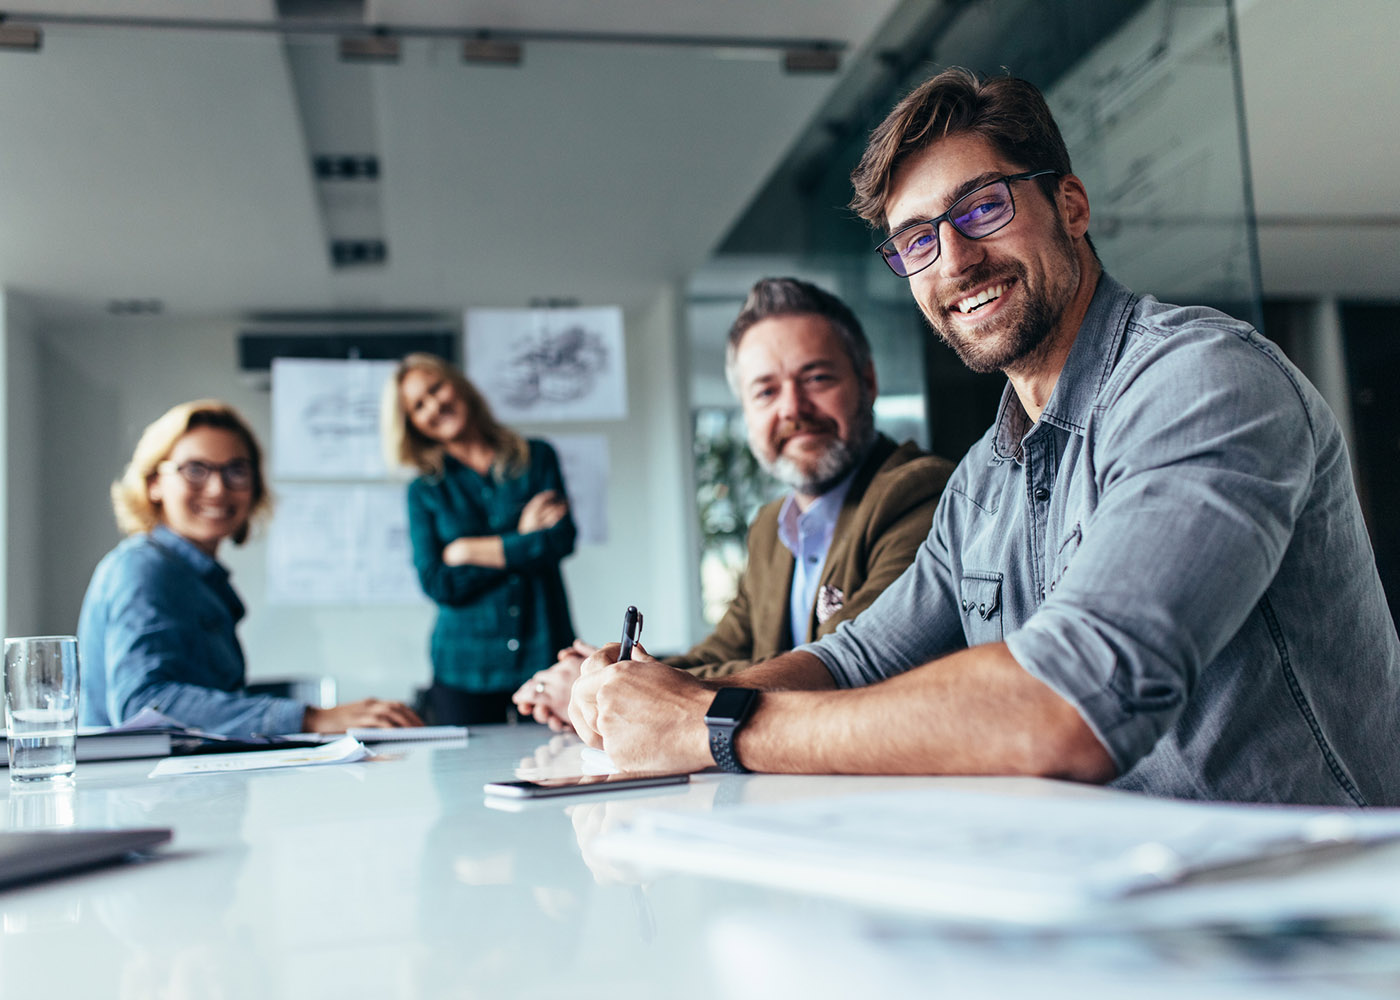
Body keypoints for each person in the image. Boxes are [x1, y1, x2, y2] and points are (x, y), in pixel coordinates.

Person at [568, 68, 1400, 806]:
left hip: (1313, 929)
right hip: (1119, 904)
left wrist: (716, 726)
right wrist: (655, 701)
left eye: (983, 207)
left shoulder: (1201, 381)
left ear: (1069, 206)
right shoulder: (985, 478)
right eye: (918, 240)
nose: (956, 260)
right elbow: (855, 660)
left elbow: (1066, 707)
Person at [513, 277, 953, 730]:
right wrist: (616, 676)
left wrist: (617, 689)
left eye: (817, 378)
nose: (792, 408)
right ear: (746, 411)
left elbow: (843, 664)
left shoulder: (917, 493)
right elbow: (725, 650)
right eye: (766, 391)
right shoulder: (771, 527)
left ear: (868, 381)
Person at [79, 399, 422, 736]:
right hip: (136, 790)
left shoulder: (199, 578)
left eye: (237, 470)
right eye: (195, 470)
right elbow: (143, 704)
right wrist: (310, 718)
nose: (218, 488)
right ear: (154, 482)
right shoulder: (145, 569)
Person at [384, 353, 576, 725]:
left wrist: (467, 550)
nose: (434, 405)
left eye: (436, 388)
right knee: (463, 780)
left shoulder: (536, 457)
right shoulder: (424, 490)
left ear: (457, 384)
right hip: (464, 667)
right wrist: (521, 537)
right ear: (412, 424)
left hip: (544, 651)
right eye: (418, 405)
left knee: (559, 768)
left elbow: (560, 540)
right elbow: (438, 581)